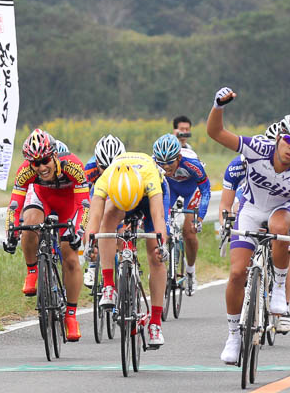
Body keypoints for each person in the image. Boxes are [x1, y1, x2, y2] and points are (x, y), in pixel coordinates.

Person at [208, 86, 290, 365]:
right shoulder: (257, 149)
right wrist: (218, 106)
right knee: (235, 274)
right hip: (251, 209)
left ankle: (278, 287)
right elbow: (216, 134)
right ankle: (233, 334)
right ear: (280, 137)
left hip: (283, 211)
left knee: (280, 226)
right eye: (289, 140)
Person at [2, 129, 89, 342]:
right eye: (35, 163)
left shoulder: (74, 166)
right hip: (43, 200)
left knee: (70, 257)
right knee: (30, 223)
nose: (41, 167)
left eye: (45, 161)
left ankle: (70, 316)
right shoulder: (26, 171)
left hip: (69, 204)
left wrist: (78, 231)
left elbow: (84, 205)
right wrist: (10, 233)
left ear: (55, 156)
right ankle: (32, 270)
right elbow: (14, 206)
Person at [217, 121, 290, 334]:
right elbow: (225, 206)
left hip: (280, 208)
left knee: (283, 247)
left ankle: (284, 308)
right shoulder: (238, 165)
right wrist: (227, 226)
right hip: (249, 204)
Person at [87, 152, 170, 346]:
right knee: (106, 221)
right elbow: (94, 217)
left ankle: (155, 324)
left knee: (156, 254)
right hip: (120, 196)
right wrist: (89, 242)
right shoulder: (106, 179)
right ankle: (109, 285)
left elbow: (158, 216)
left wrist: (162, 245)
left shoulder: (151, 179)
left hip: (147, 198)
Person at [153, 133, 211, 296]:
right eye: (161, 163)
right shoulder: (152, 163)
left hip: (191, 190)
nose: (165, 167)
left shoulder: (191, 163)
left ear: (178, 157)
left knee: (189, 232)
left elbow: (205, 190)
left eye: (170, 162)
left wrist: (199, 218)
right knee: (161, 224)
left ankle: (191, 272)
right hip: (169, 189)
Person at [82, 134, 126, 288]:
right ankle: (93, 265)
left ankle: (125, 264)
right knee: (90, 225)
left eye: (113, 168)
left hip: (120, 194)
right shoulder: (89, 169)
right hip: (98, 193)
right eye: (104, 168)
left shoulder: (129, 167)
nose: (108, 173)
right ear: (97, 163)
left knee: (122, 233)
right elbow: (85, 202)